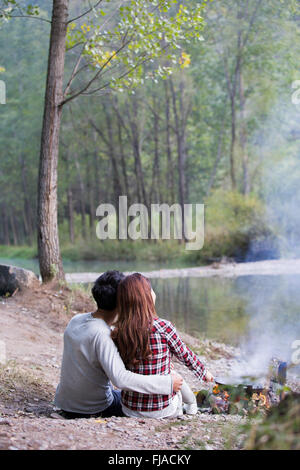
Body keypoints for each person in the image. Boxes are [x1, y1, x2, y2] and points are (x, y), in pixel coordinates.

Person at [54, 271, 183, 419]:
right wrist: (167, 383)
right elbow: (120, 378)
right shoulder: (103, 334)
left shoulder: (76, 320)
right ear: (124, 303)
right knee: (138, 401)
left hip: (66, 402)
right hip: (91, 407)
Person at [112, 273, 214, 418]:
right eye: (151, 290)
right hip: (163, 409)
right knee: (174, 375)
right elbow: (185, 355)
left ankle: (189, 406)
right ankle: (191, 407)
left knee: (168, 371)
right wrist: (204, 373)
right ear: (147, 297)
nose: (154, 293)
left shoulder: (118, 331)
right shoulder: (163, 327)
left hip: (130, 409)